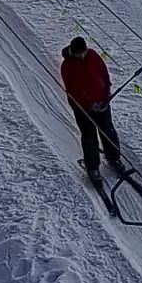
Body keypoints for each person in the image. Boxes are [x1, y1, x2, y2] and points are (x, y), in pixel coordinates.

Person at [60, 36, 121, 182]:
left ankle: (114, 157)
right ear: (72, 51)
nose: (81, 56)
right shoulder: (67, 66)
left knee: (108, 130)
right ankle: (93, 167)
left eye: (83, 52)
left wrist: (107, 93)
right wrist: (88, 104)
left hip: (102, 103)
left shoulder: (92, 55)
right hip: (82, 108)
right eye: (78, 53)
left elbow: (103, 73)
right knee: (89, 136)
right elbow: (74, 90)